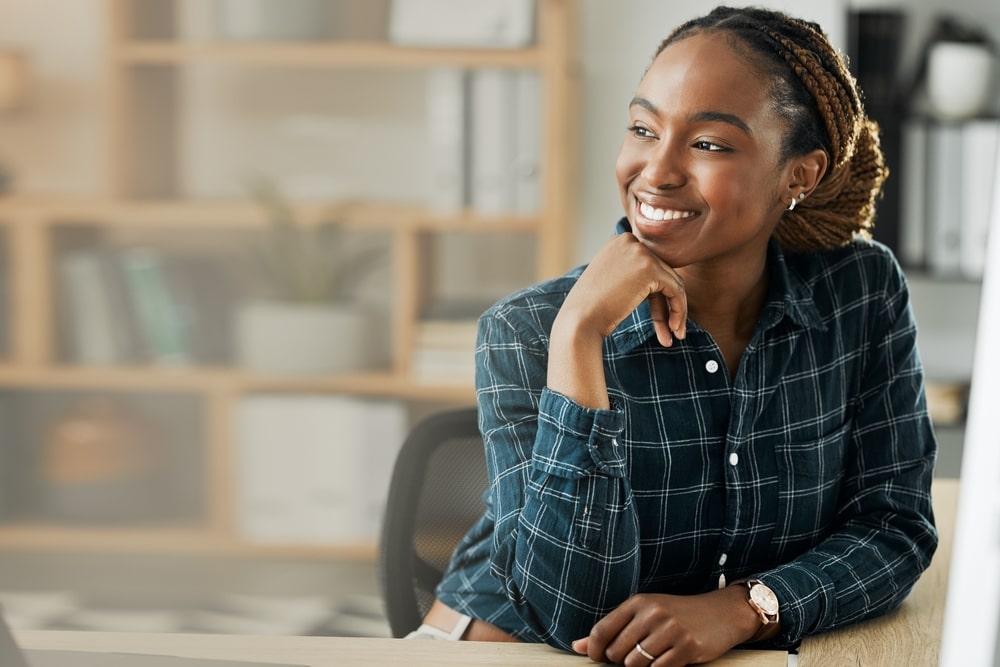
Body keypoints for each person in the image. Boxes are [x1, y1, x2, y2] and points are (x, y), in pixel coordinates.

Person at [409, 6, 939, 665]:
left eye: (709, 143)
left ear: (800, 174)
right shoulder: (526, 330)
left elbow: (894, 526)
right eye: (642, 129)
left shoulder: (860, 293)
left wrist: (748, 606)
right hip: (509, 649)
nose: (656, 171)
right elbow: (570, 613)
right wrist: (578, 335)